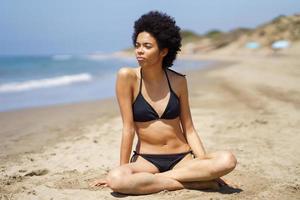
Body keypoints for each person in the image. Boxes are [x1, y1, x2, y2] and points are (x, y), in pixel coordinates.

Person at [91, 11, 237, 195]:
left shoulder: (178, 81)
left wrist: (203, 163)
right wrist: (124, 168)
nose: (139, 50)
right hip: (146, 160)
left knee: (227, 159)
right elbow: (128, 128)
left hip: (183, 158)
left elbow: (189, 129)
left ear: (164, 51)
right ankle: (189, 183)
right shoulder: (127, 77)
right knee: (116, 179)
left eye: (147, 46)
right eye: (137, 45)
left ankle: (172, 178)